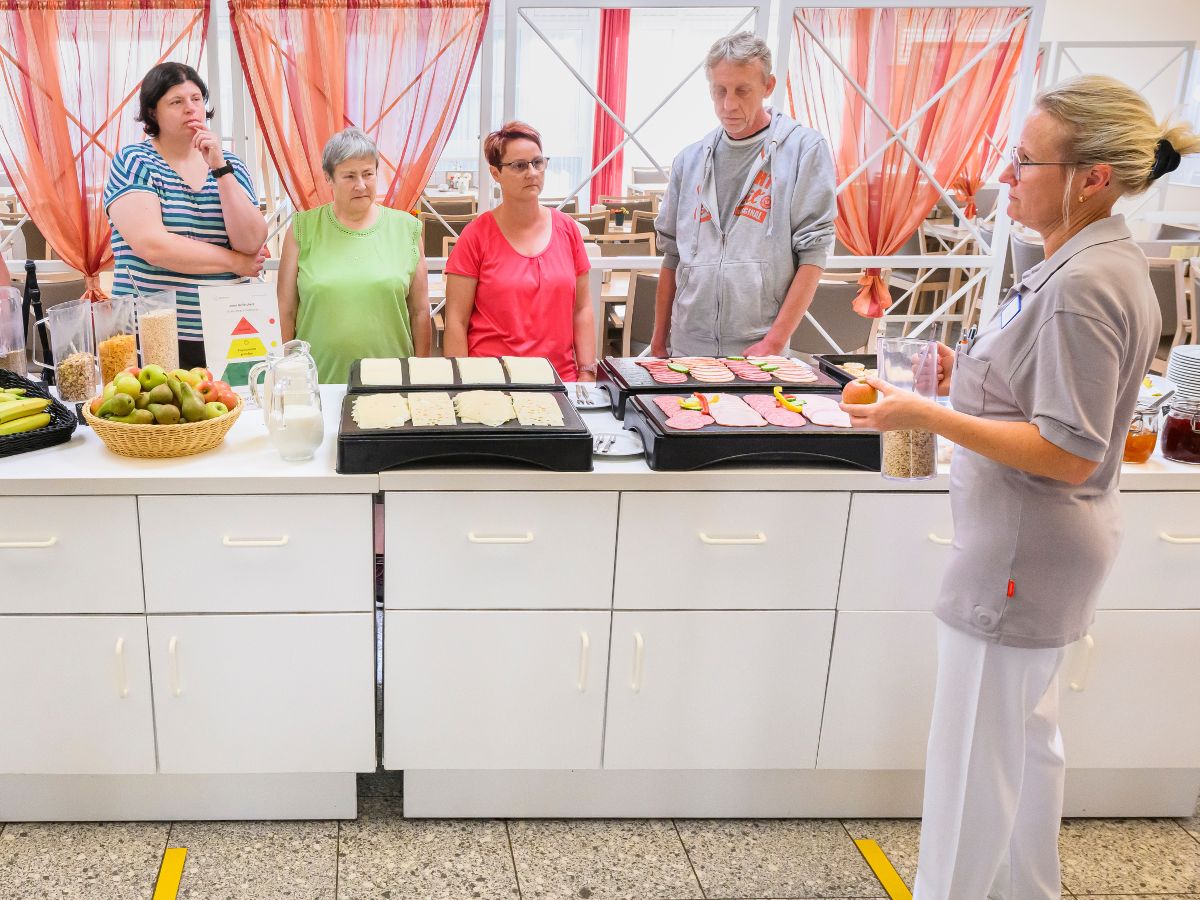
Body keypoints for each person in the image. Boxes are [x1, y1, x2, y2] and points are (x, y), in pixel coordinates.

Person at [840, 75, 1199, 899]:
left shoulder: (1080, 285)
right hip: (1039, 551)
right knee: (1023, 751)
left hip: (1021, 556)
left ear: (1092, 178)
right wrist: (955, 381)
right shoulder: (1082, 262)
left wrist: (927, 415)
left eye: (1025, 160)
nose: (1008, 174)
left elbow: (1067, 449)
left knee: (972, 760)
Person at [652, 32, 835, 358]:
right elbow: (672, 257)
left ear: (768, 86)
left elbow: (813, 255)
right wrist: (657, 343)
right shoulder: (689, 160)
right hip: (686, 347)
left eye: (742, 91)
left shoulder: (804, 150)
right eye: (719, 91)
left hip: (759, 349)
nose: (729, 105)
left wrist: (774, 343)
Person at [104, 62, 267, 369]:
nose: (190, 109)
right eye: (176, 102)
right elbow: (153, 246)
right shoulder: (134, 161)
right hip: (151, 330)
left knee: (230, 414)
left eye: (196, 99)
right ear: (153, 112)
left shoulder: (231, 165)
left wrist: (219, 167)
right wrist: (235, 262)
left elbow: (251, 240)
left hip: (227, 326)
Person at [444, 121, 596, 382]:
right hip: (491, 382)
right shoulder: (476, 236)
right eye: (519, 165)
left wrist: (587, 372)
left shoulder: (567, 230)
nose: (532, 173)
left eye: (538, 163)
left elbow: (582, 309)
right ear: (495, 173)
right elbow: (456, 321)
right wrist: (464, 385)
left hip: (560, 381)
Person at [276, 128, 430, 383]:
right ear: (329, 178)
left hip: (391, 381)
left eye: (368, 174)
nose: (361, 185)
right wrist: (285, 375)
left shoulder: (406, 228)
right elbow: (285, 310)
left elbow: (420, 312)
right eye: (349, 176)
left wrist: (419, 375)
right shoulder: (303, 228)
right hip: (317, 382)